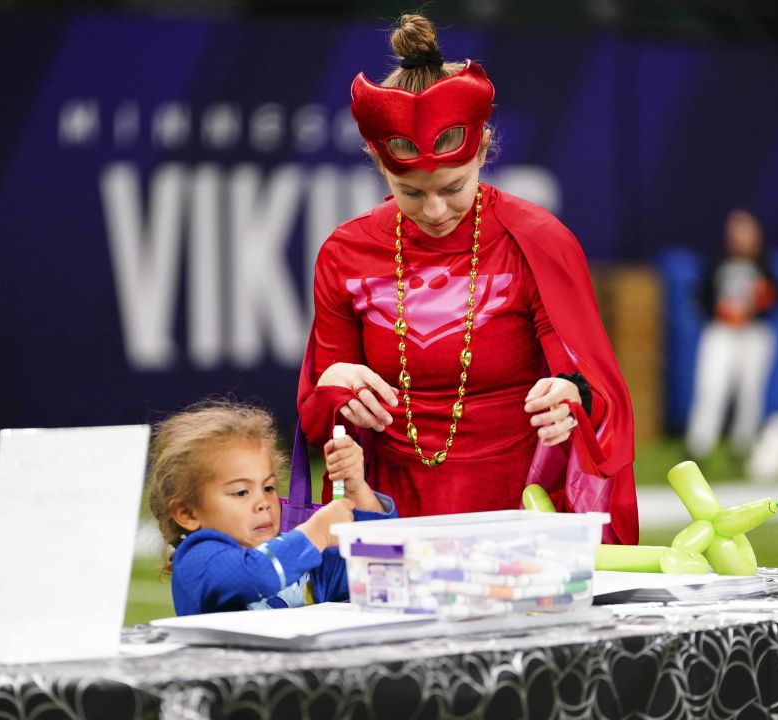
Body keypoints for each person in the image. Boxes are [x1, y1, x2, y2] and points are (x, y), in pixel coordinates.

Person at [295, 14, 638, 545]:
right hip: (386, 516)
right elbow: (320, 428)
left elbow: (594, 390)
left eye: (454, 187)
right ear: (379, 166)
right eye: (410, 191)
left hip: (518, 516)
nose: (434, 209)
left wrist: (571, 396)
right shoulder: (345, 253)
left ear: (482, 151)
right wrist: (334, 391)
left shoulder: (537, 239)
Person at [147, 399, 397, 616]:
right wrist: (316, 533)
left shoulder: (297, 553)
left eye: (268, 488)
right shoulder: (197, 559)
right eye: (241, 492)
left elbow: (381, 570)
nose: (263, 503)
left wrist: (357, 489)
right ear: (187, 514)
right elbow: (255, 574)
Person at [685, 209, 778, 460]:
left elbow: (777, 299)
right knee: (712, 386)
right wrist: (721, 311)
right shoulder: (718, 262)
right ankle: (700, 446)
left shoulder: (765, 264)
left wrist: (761, 300)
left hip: (754, 333)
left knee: (751, 390)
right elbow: (701, 297)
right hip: (722, 331)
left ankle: (743, 446)